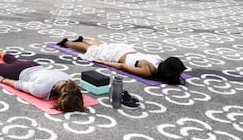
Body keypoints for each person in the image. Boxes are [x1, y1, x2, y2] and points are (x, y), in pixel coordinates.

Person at [0, 50, 85, 112]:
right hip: (19, 72)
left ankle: (2, 53)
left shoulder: (68, 79)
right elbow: (19, 84)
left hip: (34, 65)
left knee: (14, 61)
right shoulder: (42, 90)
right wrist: (4, 79)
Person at [57, 37, 186, 85]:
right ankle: (67, 43)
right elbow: (122, 66)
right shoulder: (148, 70)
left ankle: (84, 39)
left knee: (102, 46)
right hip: (117, 55)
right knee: (91, 50)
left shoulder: (159, 60)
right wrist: (104, 63)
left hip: (126, 49)